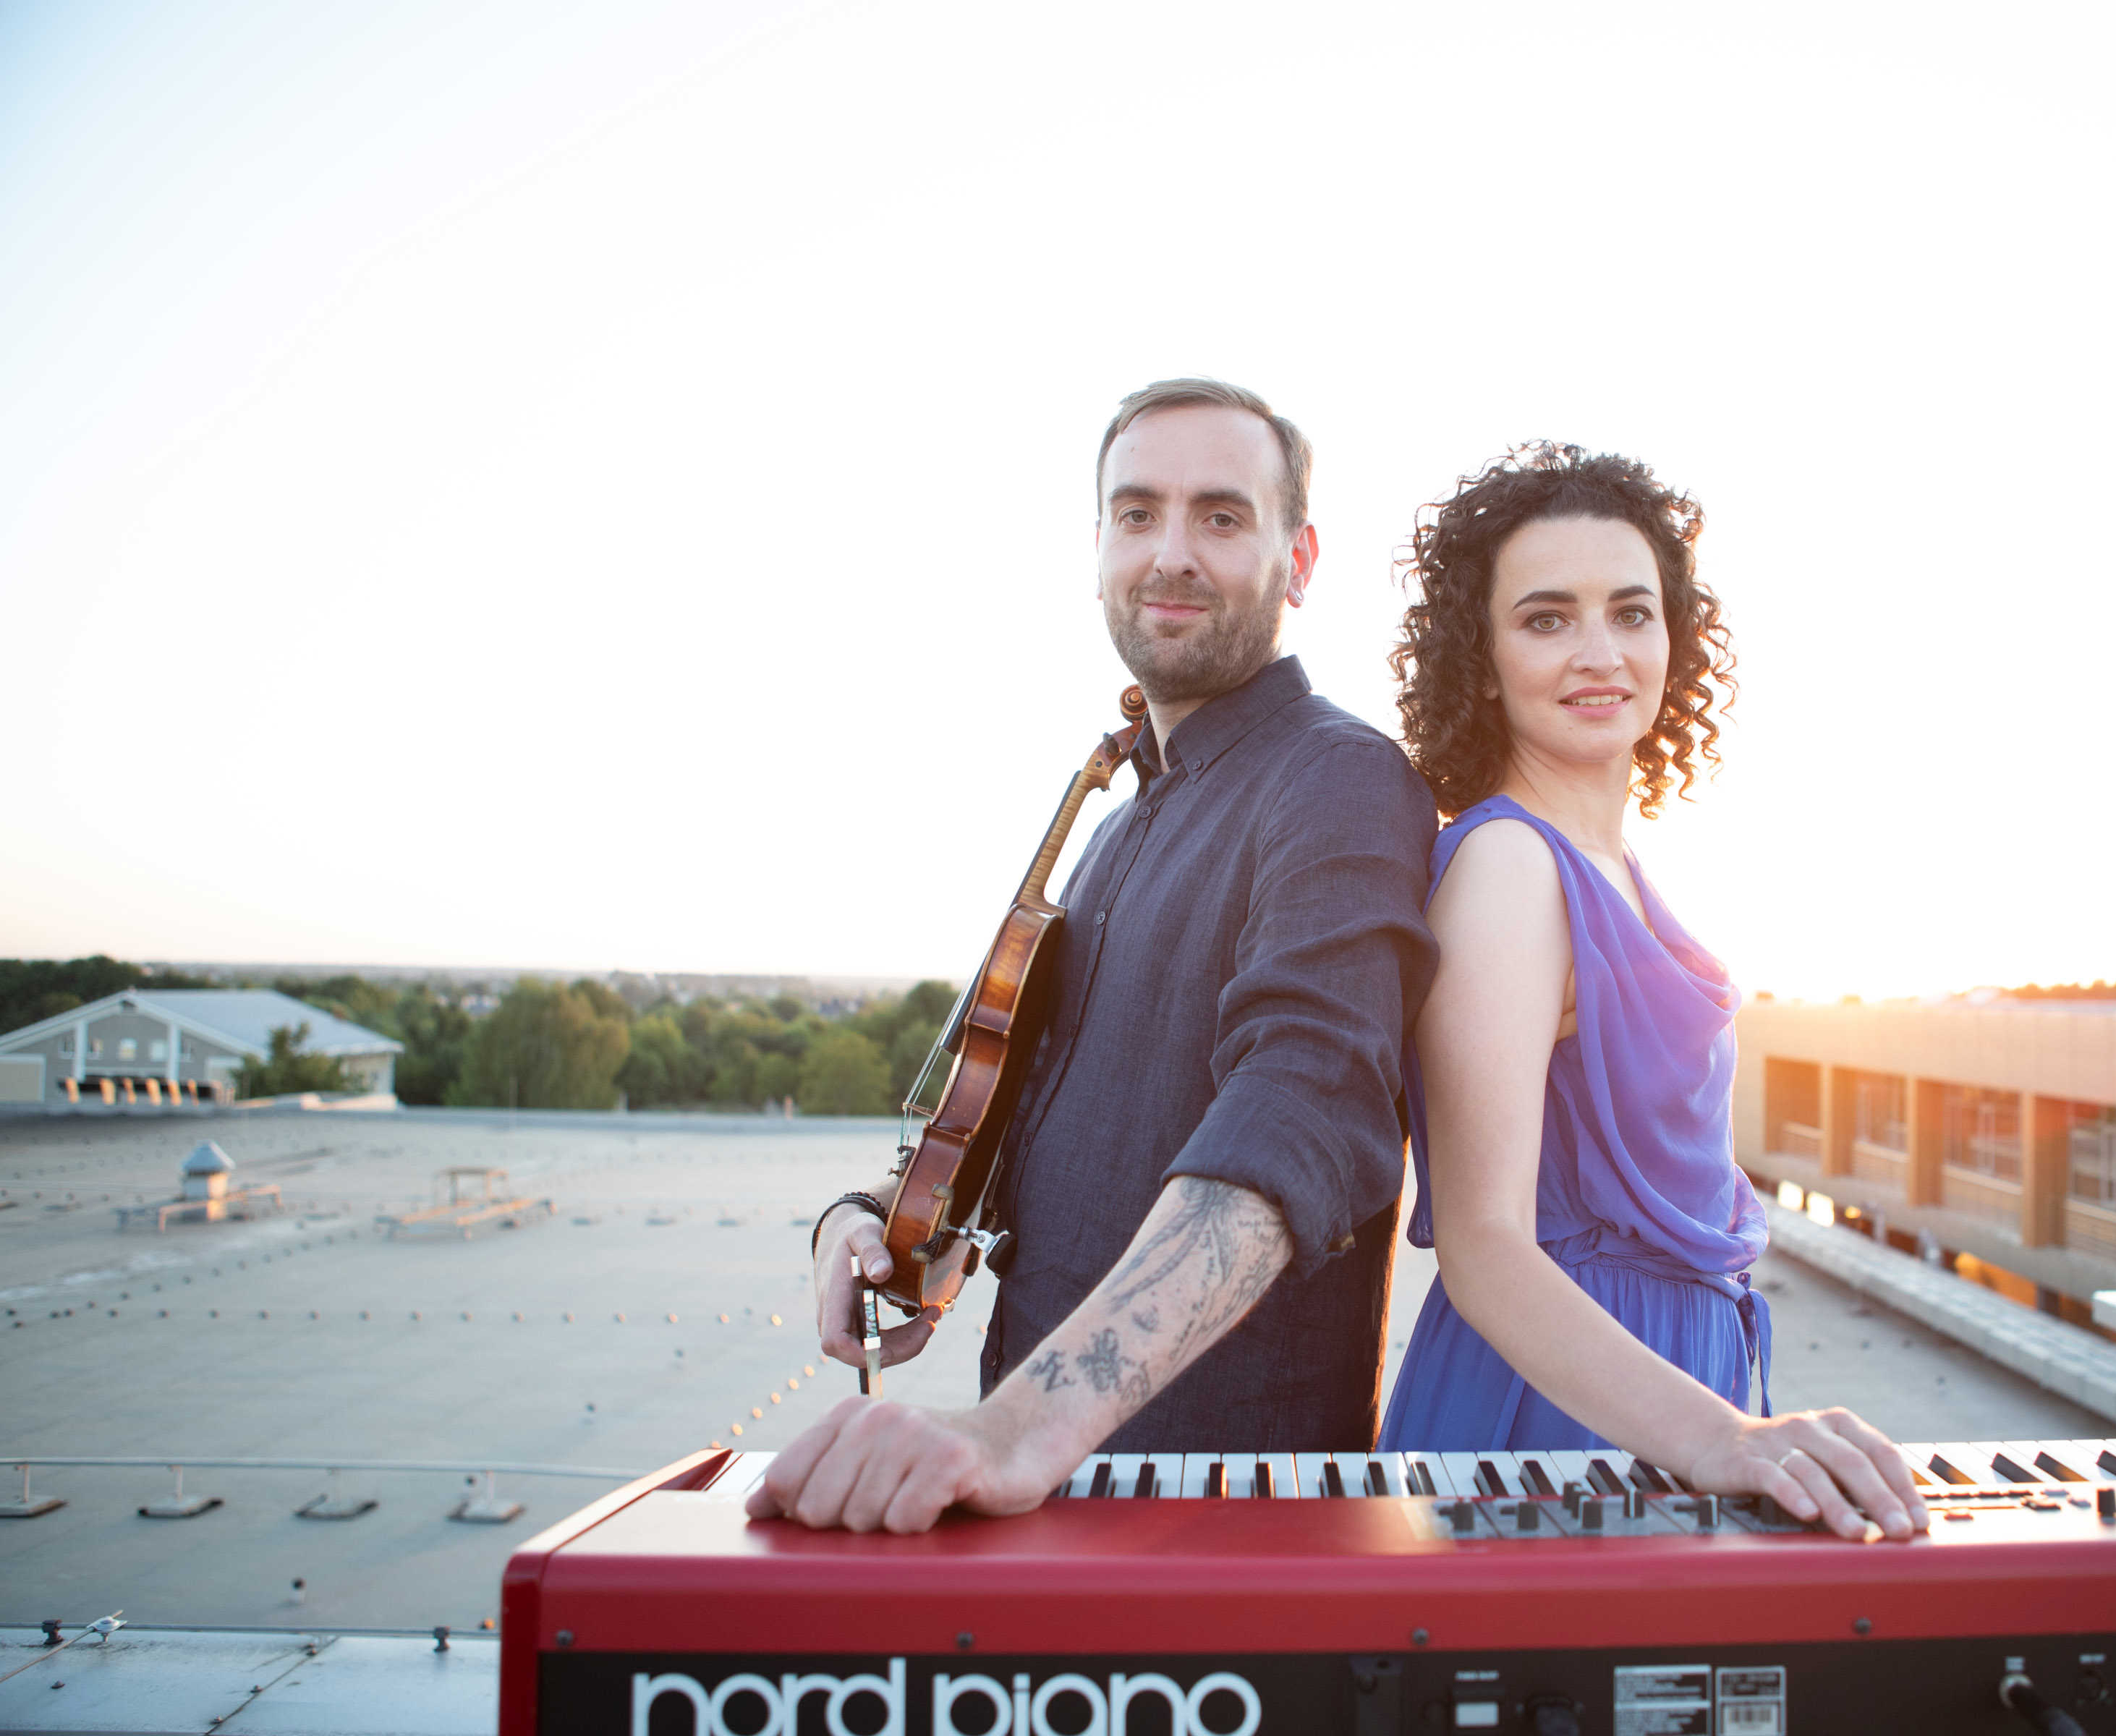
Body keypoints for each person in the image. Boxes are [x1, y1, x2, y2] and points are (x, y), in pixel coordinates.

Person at [749, 379, 1439, 1533]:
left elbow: (1305, 1104)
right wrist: (866, 1218)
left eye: (1222, 516)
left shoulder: (1340, 780)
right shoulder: (1118, 827)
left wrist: (1016, 1430)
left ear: (1299, 560)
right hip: (1046, 1512)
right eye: (1137, 513)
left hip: (1216, 1531)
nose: (1171, 554)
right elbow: (1029, 1134)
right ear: (1102, 547)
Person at [1374, 443, 1929, 1544]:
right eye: (1547, 619)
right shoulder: (1509, 866)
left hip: (1652, 1396)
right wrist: (1721, 1438)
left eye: (1632, 613)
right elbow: (1483, 1243)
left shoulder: (1610, 861)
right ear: (1480, 659)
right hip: (1551, 1421)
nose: (1601, 653)